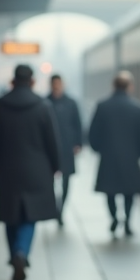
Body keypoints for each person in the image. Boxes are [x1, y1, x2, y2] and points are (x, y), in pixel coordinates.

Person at [0, 64, 61, 280]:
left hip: (8, 169)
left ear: (13, 80)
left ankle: (14, 254)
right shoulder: (43, 105)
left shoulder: (0, 104)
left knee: (11, 215)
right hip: (37, 169)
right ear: (33, 81)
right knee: (29, 216)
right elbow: (52, 140)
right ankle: (21, 252)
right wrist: (56, 165)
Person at [88, 71, 140, 236]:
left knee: (110, 191)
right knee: (129, 192)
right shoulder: (137, 109)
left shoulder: (102, 106)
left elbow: (92, 133)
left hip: (108, 158)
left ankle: (114, 218)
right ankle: (128, 221)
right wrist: (139, 153)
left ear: (113, 86)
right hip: (130, 159)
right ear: (130, 87)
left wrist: (98, 149)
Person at [47, 74, 83, 227]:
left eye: (59, 83)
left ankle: (61, 210)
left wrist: (78, 143)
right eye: (54, 83)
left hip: (67, 147)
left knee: (66, 181)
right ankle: (55, 208)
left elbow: (78, 124)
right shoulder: (45, 102)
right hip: (49, 148)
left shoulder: (71, 103)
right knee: (49, 180)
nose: (57, 86)